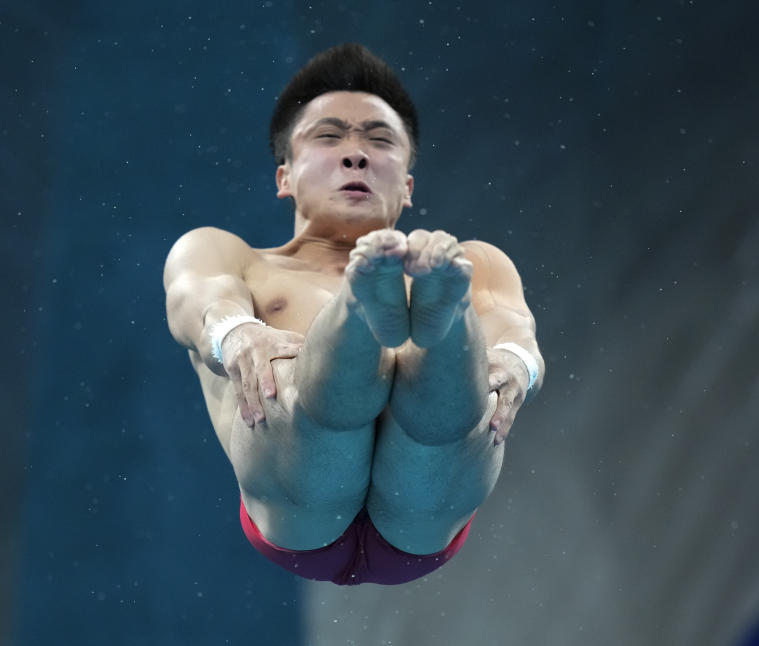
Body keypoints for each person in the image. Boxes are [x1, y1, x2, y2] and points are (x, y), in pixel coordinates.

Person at [163, 43, 544, 585]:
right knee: (294, 384)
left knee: (450, 403)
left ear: (407, 187)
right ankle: (371, 306)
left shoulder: (475, 263)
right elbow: (197, 299)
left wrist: (514, 366)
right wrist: (235, 330)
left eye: (380, 140)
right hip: (295, 492)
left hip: (426, 498)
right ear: (284, 176)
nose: (356, 154)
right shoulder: (228, 255)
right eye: (328, 136)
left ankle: (412, 316)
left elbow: (517, 333)